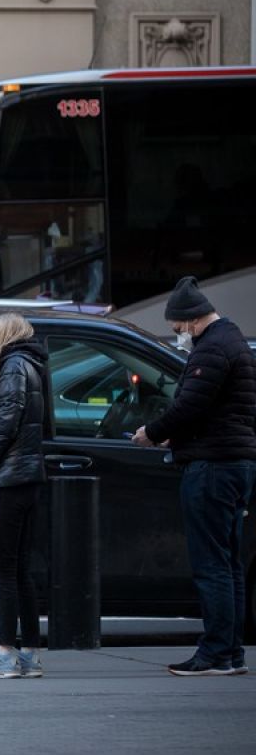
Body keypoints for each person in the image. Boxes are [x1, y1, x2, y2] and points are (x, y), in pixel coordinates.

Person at [132, 277, 256, 676]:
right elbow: (209, 410)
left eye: (176, 329)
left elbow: (188, 406)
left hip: (213, 466)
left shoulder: (213, 349)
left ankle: (216, 652)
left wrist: (151, 433)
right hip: (231, 461)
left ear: (190, 320)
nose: (178, 336)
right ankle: (230, 651)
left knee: (212, 565)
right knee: (229, 562)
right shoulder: (233, 341)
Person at [0, 313, 49, 680]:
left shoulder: (14, 366)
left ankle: (5, 652)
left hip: (9, 478)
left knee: (4, 570)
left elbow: (7, 419)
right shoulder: (32, 364)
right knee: (21, 571)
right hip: (28, 477)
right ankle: (30, 652)